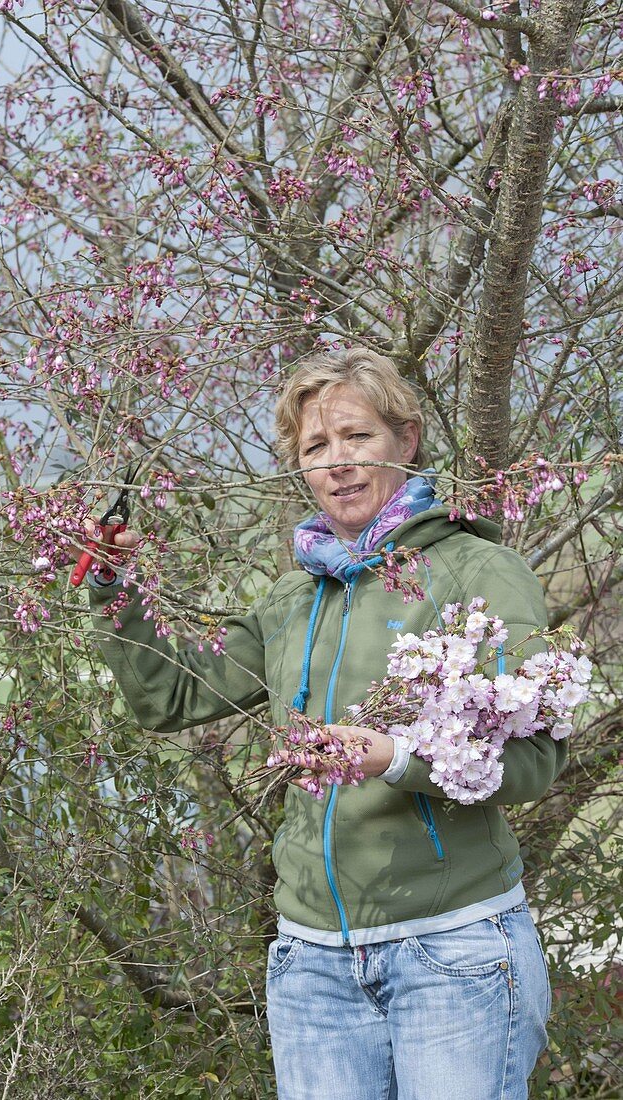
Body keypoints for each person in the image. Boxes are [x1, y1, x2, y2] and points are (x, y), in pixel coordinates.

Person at [86, 349, 559, 1100]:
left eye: (357, 437)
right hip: (312, 964)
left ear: (405, 442)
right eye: (316, 447)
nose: (337, 462)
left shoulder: (476, 571)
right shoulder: (293, 598)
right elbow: (168, 698)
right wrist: (114, 588)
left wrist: (398, 757)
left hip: (453, 951)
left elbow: (535, 762)